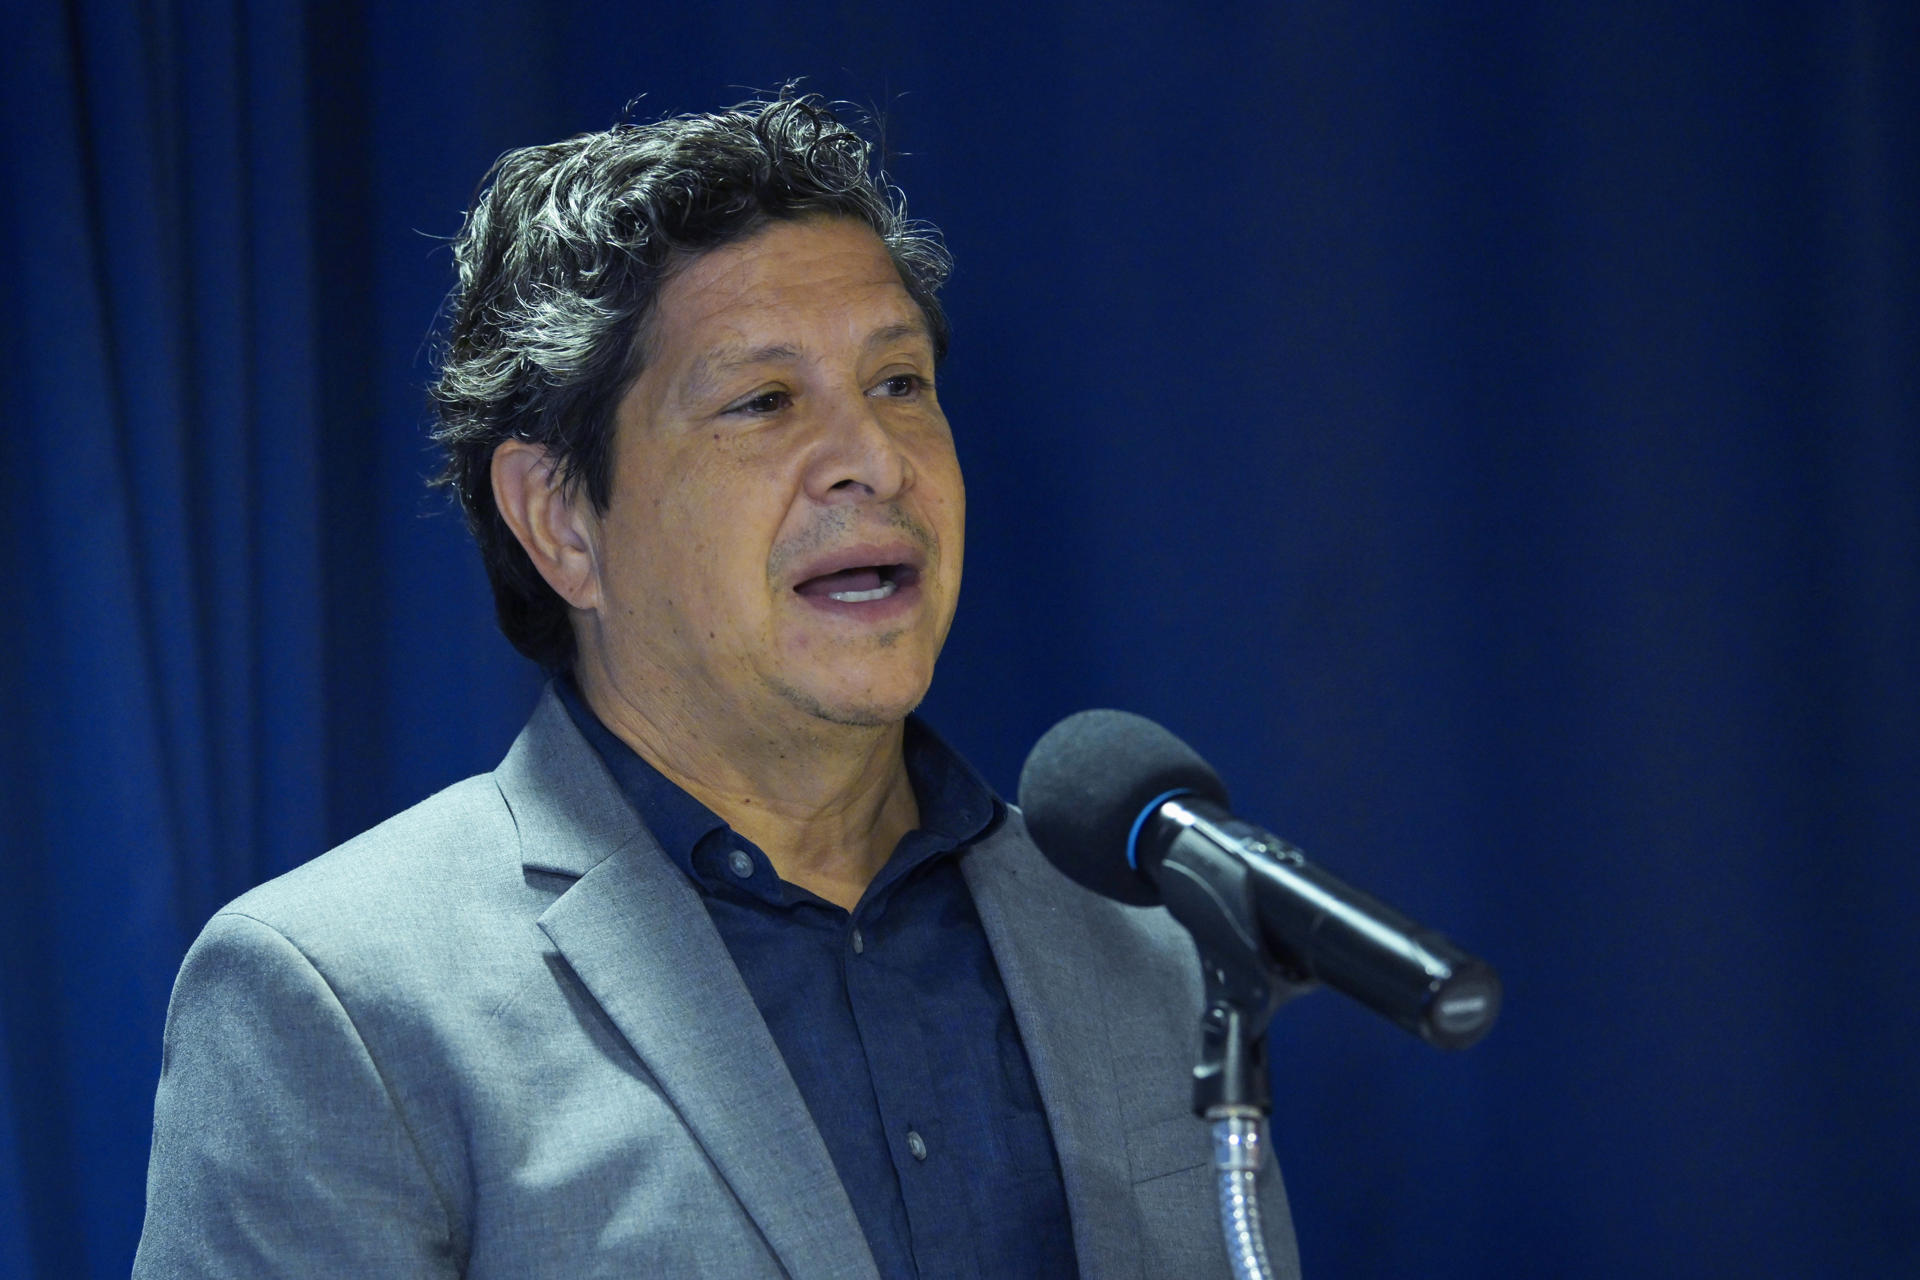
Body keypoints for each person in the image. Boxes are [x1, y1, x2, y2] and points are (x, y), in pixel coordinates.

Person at [134, 93, 1301, 1278]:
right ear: (560, 520)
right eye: (764, 401)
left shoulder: (1140, 941)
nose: (875, 459)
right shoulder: (338, 1001)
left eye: (899, 382)